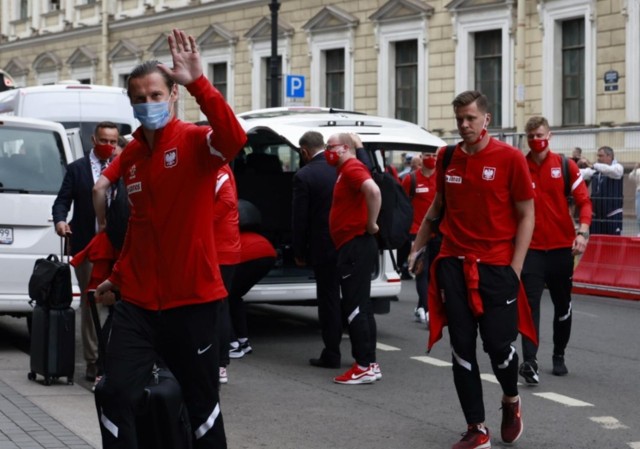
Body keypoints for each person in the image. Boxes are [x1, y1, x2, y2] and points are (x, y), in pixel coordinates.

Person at [92, 29, 246, 448]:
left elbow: (234, 138)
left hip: (193, 301)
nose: (148, 104)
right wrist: (119, 275)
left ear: (172, 96)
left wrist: (198, 82)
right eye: (139, 98)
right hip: (139, 303)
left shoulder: (196, 142)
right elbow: (141, 226)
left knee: (202, 407)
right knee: (112, 391)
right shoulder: (134, 156)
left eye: (156, 95)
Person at [408, 90, 535, 448]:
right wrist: (416, 247)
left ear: (486, 119)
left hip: (496, 269)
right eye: (459, 119)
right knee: (462, 347)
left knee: (499, 348)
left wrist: (515, 268)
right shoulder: (447, 156)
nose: (464, 125)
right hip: (453, 263)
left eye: (470, 118)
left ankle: (511, 400)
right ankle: (476, 428)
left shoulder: (510, 159)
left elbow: (527, 215)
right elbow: (437, 207)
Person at [519, 116, 592, 385]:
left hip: (562, 249)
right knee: (529, 306)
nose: (535, 140)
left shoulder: (565, 165)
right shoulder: (520, 166)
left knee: (563, 306)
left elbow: (584, 202)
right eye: (530, 136)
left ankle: (559, 354)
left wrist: (582, 232)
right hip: (531, 251)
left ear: (549, 136)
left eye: (539, 135)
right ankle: (530, 361)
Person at [52, 121, 120, 382]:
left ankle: (113, 358)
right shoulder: (77, 169)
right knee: (92, 301)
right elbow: (62, 201)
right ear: (94, 140)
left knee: (118, 305)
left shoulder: (121, 167)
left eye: (113, 142)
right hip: (88, 247)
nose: (109, 146)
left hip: (116, 247)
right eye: (104, 141)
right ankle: (93, 361)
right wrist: (60, 221)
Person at [325, 132, 382, 385]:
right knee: (363, 305)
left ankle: (363, 365)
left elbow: (373, 190)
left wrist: (371, 223)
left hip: (355, 244)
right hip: (355, 244)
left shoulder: (350, 168)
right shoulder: (348, 167)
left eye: (331, 147)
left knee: (355, 306)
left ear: (344, 148)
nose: (328, 151)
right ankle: (369, 362)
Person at [292, 130, 341, 368]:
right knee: (354, 300)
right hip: (349, 244)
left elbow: (299, 219)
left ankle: (332, 353)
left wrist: (299, 251)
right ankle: (365, 357)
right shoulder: (341, 167)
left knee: (329, 300)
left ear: (304, 151)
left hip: (323, 247)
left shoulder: (304, 175)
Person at [401, 152, 438, 325]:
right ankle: (428, 309)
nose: (431, 158)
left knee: (434, 273)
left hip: (438, 233)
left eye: (434, 155)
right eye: (427, 155)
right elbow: (402, 204)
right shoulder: (411, 179)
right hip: (417, 232)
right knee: (421, 271)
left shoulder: (442, 177)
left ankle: (421, 306)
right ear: (421, 158)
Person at [214, 164, 241, 384]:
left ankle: (220, 363)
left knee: (216, 306)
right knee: (218, 305)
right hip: (220, 246)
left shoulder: (218, 168)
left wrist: (199, 223)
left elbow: (226, 202)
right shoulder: (218, 167)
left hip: (218, 248)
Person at [580, 146, 624, 235]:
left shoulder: (618, 168)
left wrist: (593, 165)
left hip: (613, 214)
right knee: (595, 242)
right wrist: (570, 165)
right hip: (596, 215)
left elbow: (611, 171)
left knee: (612, 244)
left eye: (601, 156)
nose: (598, 158)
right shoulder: (595, 171)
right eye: (598, 156)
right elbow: (581, 172)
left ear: (609, 156)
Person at [630, 162, 640, 235]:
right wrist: (635, 168)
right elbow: (631, 177)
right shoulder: (638, 171)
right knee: (639, 214)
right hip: (639, 192)